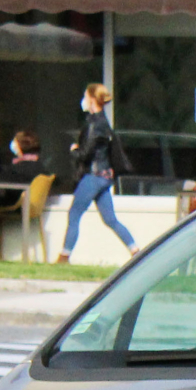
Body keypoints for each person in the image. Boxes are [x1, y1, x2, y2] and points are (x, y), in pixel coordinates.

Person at [63, 82, 134, 263]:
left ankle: (64, 255)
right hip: (105, 177)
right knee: (110, 219)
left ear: (93, 99)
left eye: (86, 96)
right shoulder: (104, 123)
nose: (84, 100)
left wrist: (73, 150)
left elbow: (86, 153)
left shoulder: (95, 124)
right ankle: (136, 250)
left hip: (93, 176)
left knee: (74, 214)